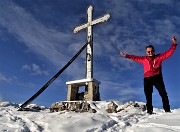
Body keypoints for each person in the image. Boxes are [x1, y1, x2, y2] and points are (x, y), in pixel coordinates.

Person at [120, 36, 177, 114]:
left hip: (157, 77)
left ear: (154, 51)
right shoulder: (144, 59)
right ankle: (149, 111)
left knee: (163, 93)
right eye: (148, 52)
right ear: (146, 52)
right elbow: (135, 57)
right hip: (147, 79)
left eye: (152, 51)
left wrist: (173, 44)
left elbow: (169, 52)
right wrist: (126, 55)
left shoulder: (159, 57)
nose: (150, 53)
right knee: (148, 95)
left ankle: (167, 110)